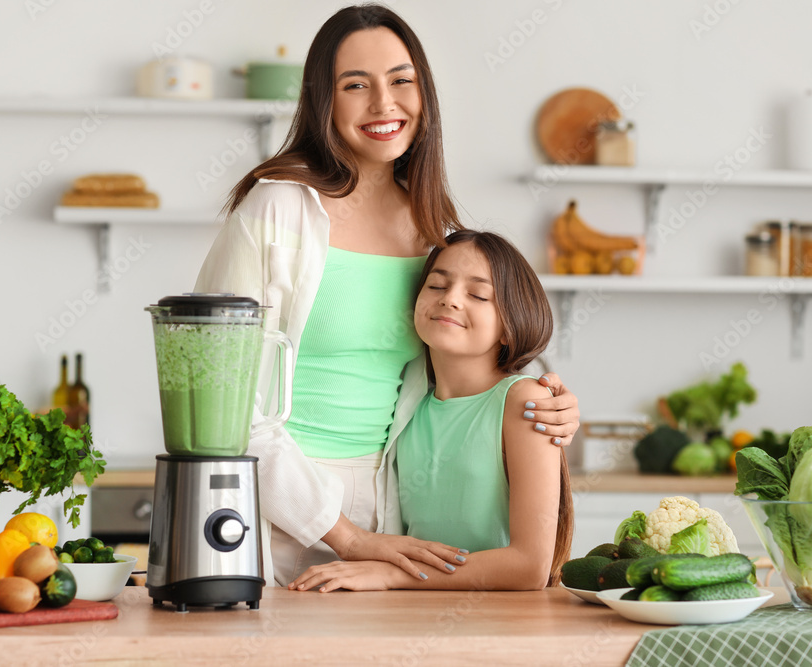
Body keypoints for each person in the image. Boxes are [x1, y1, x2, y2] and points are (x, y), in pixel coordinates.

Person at [194, 4, 580, 586]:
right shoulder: (277, 209)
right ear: (324, 101)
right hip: (265, 501)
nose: (384, 105)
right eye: (356, 86)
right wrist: (349, 540)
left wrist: (548, 407)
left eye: (402, 81)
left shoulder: (432, 229)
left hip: (385, 502)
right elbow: (215, 393)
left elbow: (463, 370)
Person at [290, 230, 574, 593]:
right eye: (437, 286)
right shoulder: (408, 405)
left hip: (500, 622)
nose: (451, 300)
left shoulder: (523, 402)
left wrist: (392, 574)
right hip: (415, 614)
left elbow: (529, 566)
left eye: (478, 294)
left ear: (509, 324)